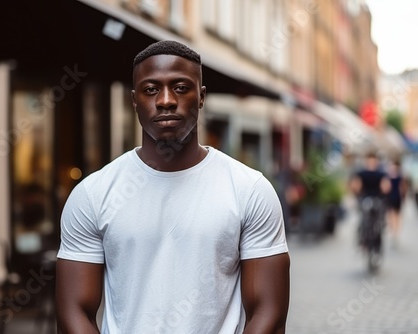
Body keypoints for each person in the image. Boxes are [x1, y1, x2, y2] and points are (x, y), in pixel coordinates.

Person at [55, 40, 290, 333]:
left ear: (201, 96)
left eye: (180, 87)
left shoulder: (249, 189)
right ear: (134, 100)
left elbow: (269, 313)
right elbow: (72, 313)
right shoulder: (94, 194)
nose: (165, 99)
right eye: (151, 89)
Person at [385, 160, 406, 244]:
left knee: (396, 215)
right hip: (391, 197)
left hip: (396, 197)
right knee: (391, 215)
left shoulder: (399, 177)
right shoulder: (388, 177)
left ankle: (395, 232)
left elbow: (402, 187)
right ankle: (394, 230)